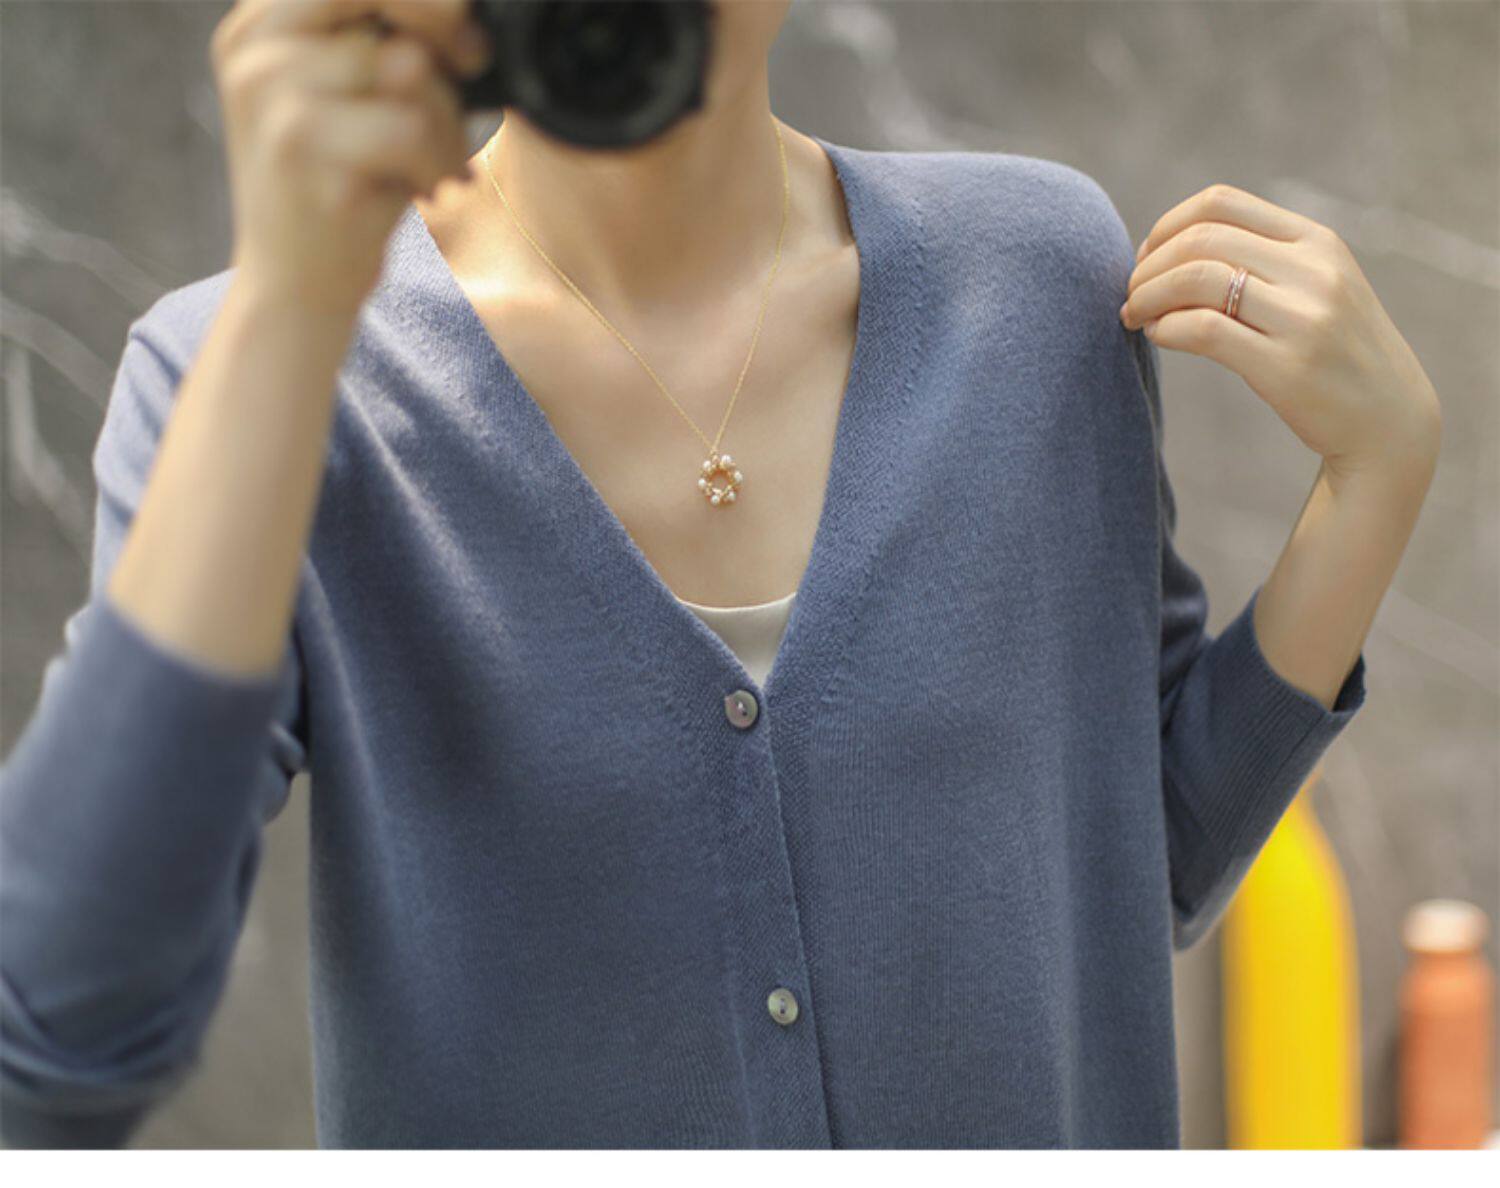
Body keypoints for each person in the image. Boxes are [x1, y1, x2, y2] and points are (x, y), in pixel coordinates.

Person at [4, 0, 1434, 1151]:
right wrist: (287, 314)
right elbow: (56, 1043)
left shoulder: (1036, 280)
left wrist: (1377, 477)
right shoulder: (249, 372)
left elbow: (1130, 863)